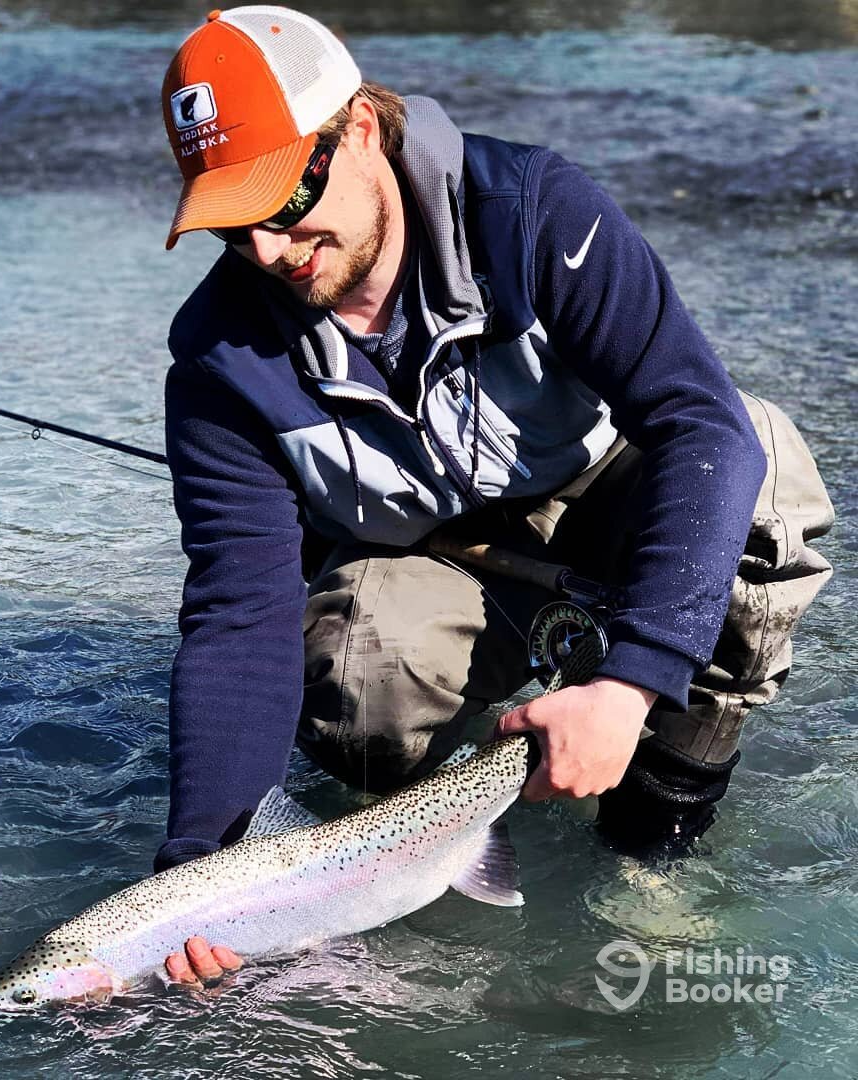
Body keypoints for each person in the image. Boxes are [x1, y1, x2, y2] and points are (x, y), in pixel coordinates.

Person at [155, 6, 833, 985]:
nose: (266, 248)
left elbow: (699, 423)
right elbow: (238, 613)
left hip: (606, 504)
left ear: (359, 128)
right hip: (428, 561)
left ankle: (652, 848)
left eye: (283, 197)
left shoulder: (530, 212)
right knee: (361, 678)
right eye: (230, 221)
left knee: (762, 479)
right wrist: (201, 874)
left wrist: (632, 684)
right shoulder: (218, 363)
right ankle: (424, 837)